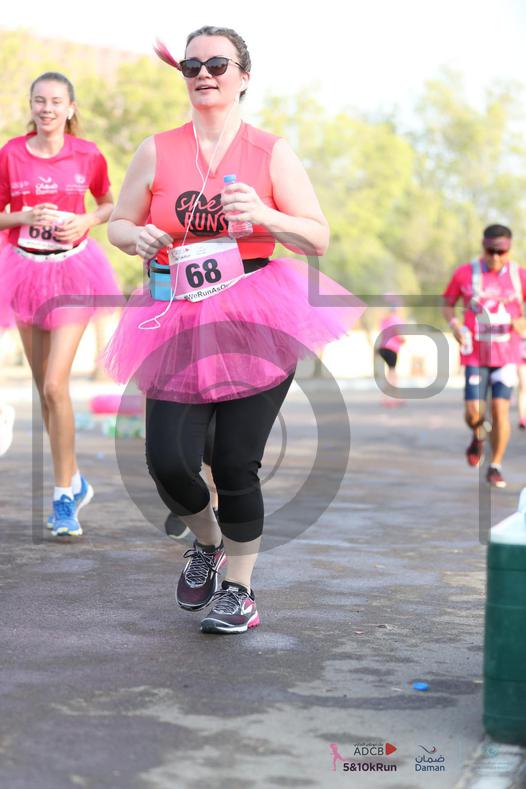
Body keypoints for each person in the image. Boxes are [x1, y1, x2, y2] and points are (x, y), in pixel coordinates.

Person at [104, 26, 363, 635]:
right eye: (191, 65)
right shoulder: (156, 149)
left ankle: (240, 591)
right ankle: (208, 541)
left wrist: (265, 214)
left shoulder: (270, 151)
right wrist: (135, 236)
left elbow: (317, 236)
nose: (203, 74)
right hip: (175, 312)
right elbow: (118, 222)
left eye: (217, 64)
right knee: (168, 461)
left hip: (256, 313)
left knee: (234, 461)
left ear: (244, 76)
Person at [0, 72, 122, 534]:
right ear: (30, 106)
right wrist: (24, 215)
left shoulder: (87, 153)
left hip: (73, 271)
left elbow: (109, 204)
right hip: (23, 271)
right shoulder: (11, 153)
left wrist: (86, 219)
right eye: (39, 100)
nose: (47, 108)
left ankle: (62, 498)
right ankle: (74, 481)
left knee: (55, 385)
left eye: (56, 101)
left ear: (71, 108)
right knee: (44, 391)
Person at [442, 224, 526, 488]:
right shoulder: (465, 273)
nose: (496, 257)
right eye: (491, 251)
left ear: (509, 249)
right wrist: (455, 325)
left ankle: (495, 466)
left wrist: (522, 321)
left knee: (500, 411)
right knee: (473, 413)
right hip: (476, 355)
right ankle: (478, 435)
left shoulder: (519, 276)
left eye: (501, 252)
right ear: (483, 247)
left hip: (506, 355)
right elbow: (447, 303)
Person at [376, 304, 406, 405]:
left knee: (390, 374)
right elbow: (396, 332)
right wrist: (402, 340)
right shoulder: (396, 319)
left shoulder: (384, 321)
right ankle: (392, 399)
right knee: (393, 374)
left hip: (383, 348)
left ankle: (387, 398)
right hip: (391, 349)